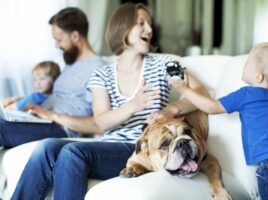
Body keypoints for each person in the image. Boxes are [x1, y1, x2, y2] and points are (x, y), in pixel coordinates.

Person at [12, 3, 209, 200]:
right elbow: (101, 122)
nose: (149, 29)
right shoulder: (102, 74)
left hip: (141, 148)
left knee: (72, 152)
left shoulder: (164, 64)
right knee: (47, 147)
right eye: (141, 23)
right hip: (109, 146)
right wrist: (134, 105)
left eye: (149, 24)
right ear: (122, 28)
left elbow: (201, 92)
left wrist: (171, 110)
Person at [170, 42, 268, 199]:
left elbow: (211, 107)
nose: (244, 64)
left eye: (248, 62)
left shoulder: (246, 95)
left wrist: (185, 90)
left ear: (259, 77)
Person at [0, 7, 106, 148]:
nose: (56, 45)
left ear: (75, 36)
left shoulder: (98, 69)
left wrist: (51, 115)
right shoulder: (70, 65)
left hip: (60, 128)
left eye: (59, 40)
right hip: (41, 119)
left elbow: (99, 123)